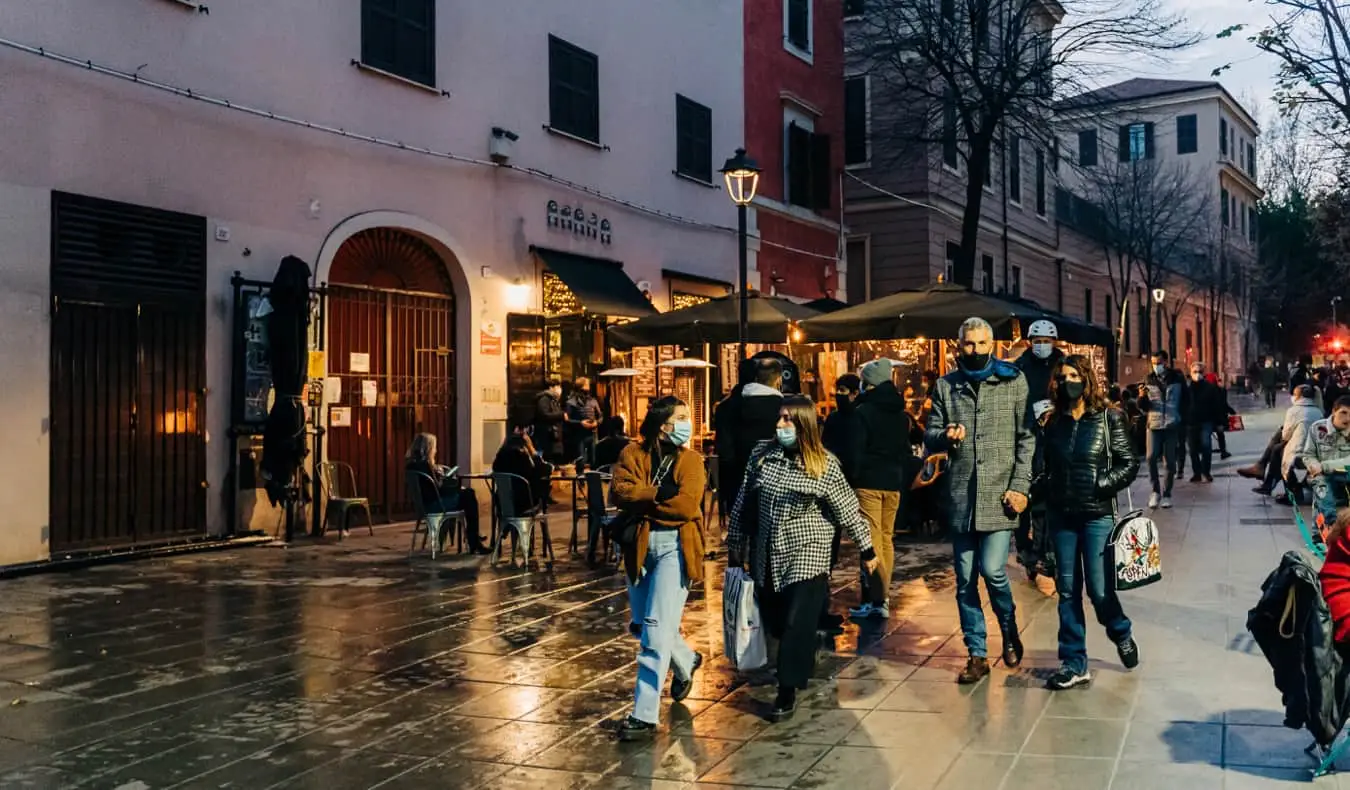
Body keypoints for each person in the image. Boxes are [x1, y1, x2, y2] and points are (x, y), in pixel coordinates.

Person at [727, 395, 877, 721]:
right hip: (768, 548)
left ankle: (787, 689)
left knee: (797, 619)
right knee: (779, 622)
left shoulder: (824, 465)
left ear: (804, 425)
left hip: (809, 549)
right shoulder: (762, 456)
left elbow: (848, 511)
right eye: (780, 418)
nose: (781, 425)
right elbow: (743, 499)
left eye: (788, 420)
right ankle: (805, 648)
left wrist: (867, 550)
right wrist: (735, 541)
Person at [925, 317, 1034, 685]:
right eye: (968, 344)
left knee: (994, 570)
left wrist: (1020, 485)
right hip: (961, 497)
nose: (974, 350)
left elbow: (1026, 439)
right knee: (965, 580)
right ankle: (976, 653)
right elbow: (930, 435)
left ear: (993, 345)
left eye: (981, 344)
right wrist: (946, 436)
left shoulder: (1013, 381)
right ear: (959, 346)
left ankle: (1009, 629)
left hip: (1001, 496)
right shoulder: (946, 386)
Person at [1040, 354, 1141, 689]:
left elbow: (1129, 464)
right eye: (1062, 376)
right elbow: (1045, 468)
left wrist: (1098, 485)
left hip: (1097, 517)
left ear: (1086, 379)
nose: (1067, 382)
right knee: (1067, 592)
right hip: (1062, 517)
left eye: (1073, 375)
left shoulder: (1109, 418)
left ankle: (1120, 630)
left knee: (1099, 591)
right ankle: (1074, 662)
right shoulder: (1053, 422)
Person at [610, 396, 707, 741]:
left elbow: (686, 506)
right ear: (662, 423)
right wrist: (657, 493)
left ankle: (644, 714)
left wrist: (644, 504)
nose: (686, 423)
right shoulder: (632, 455)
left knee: (653, 632)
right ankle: (686, 658)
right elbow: (620, 492)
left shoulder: (692, 460)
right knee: (641, 624)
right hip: (638, 546)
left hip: (675, 548)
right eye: (680, 417)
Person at [845, 359, 913, 621]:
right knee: (885, 539)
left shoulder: (863, 412)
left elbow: (856, 451)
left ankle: (878, 599)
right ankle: (882, 597)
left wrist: (854, 476)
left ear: (868, 383)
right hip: (893, 482)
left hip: (869, 483)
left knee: (871, 543)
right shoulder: (899, 413)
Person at [1014, 320, 1064, 595]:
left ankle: (1046, 554)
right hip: (1026, 438)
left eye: (1048, 340)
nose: (1042, 345)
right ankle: (1025, 550)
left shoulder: (1064, 366)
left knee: (1047, 501)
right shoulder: (1020, 368)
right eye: (1037, 340)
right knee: (1025, 497)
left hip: (1055, 438)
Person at [714, 357, 785, 519]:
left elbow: (724, 448)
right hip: (773, 478)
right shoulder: (782, 406)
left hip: (737, 478)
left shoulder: (726, 406)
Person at [406, 433, 486, 553]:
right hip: (435, 504)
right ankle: (474, 541)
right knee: (469, 495)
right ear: (428, 448)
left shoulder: (411, 465)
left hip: (424, 505)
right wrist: (444, 479)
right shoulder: (426, 465)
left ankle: (474, 538)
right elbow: (438, 489)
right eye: (434, 447)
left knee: (466, 495)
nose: (435, 450)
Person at [1286, 395, 1350, 523]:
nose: (1348, 418)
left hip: (1346, 475)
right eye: (1343, 413)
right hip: (1322, 476)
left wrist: (1324, 465)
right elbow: (1308, 454)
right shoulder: (1317, 428)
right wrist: (1314, 465)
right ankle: (1330, 523)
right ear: (1333, 411)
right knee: (1321, 484)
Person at [1137, 350, 1183, 509]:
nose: (1156, 366)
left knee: (1169, 461)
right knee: (1150, 457)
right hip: (1154, 424)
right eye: (1154, 363)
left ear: (1166, 363)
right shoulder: (1148, 379)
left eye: (1159, 363)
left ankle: (1167, 493)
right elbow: (1143, 408)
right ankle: (1155, 490)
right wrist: (1141, 397)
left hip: (1171, 424)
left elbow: (1186, 400)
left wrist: (1182, 420)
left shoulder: (1177, 378)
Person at [1185, 361, 1224, 483]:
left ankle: (1206, 472)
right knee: (1192, 449)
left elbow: (1217, 406)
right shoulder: (1187, 389)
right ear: (1191, 373)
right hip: (1191, 422)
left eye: (1200, 372)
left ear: (1204, 373)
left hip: (1206, 421)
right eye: (1195, 372)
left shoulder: (1210, 388)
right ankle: (1197, 473)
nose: (1197, 374)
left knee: (1206, 446)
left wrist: (1219, 423)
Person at [565, 377, 602, 467]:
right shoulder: (571, 402)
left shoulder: (593, 401)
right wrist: (580, 423)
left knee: (594, 460)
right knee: (580, 461)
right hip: (579, 435)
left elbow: (600, 416)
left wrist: (597, 422)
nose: (589, 386)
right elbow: (567, 420)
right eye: (587, 384)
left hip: (592, 434)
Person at [532, 379, 567, 463]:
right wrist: (561, 415)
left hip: (554, 435)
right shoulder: (544, 399)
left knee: (555, 458)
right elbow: (544, 414)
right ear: (551, 387)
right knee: (549, 459)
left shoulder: (554, 400)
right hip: (548, 435)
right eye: (557, 386)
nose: (559, 389)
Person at [1208, 372, 1235, 460]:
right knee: (1220, 435)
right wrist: (1231, 411)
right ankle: (1223, 452)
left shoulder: (1205, 390)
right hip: (1219, 418)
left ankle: (1207, 452)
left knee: (1207, 436)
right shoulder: (1221, 390)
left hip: (1208, 418)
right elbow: (1223, 404)